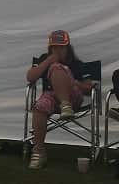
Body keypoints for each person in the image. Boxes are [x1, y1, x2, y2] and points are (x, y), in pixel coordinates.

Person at [24, 30, 95, 170]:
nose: (57, 51)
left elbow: (89, 88)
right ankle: (38, 152)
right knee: (39, 106)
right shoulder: (44, 59)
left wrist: (72, 82)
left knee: (57, 68)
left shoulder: (77, 64)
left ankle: (66, 104)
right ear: (50, 48)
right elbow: (30, 77)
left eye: (61, 47)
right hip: (51, 97)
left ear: (68, 48)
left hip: (73, 97)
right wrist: (48, 62)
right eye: (54, 48)